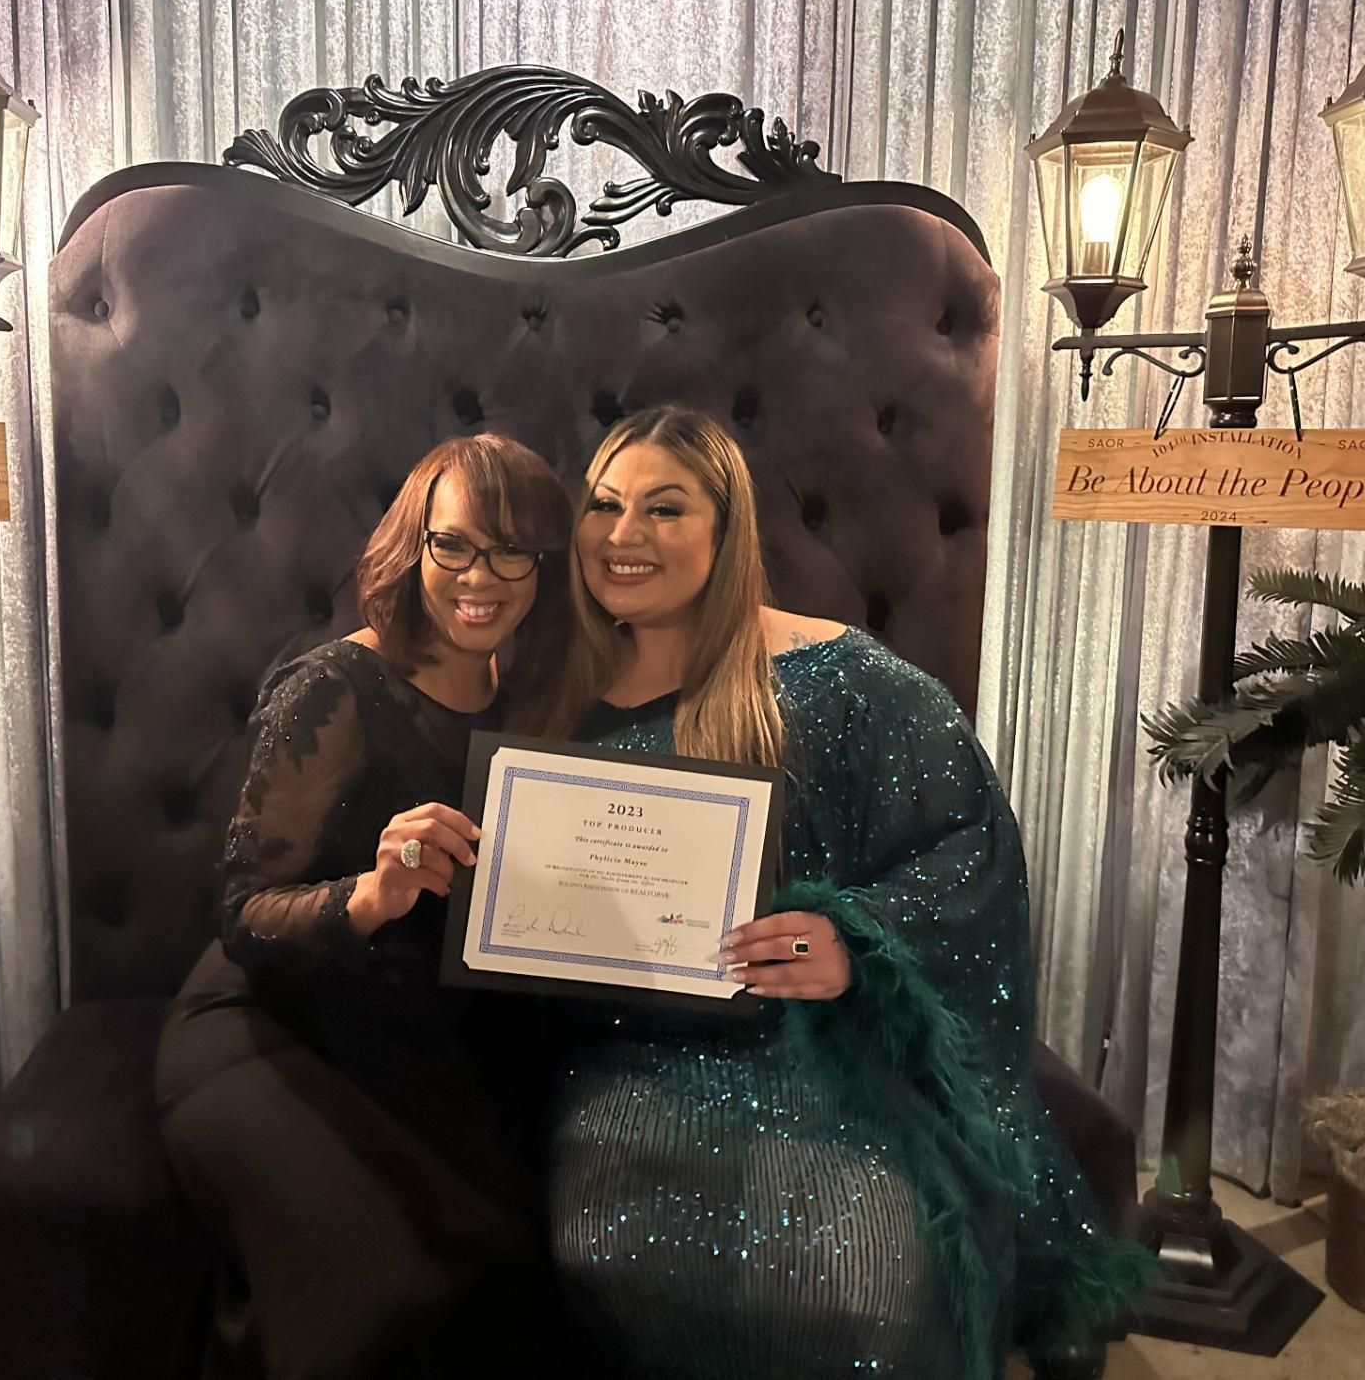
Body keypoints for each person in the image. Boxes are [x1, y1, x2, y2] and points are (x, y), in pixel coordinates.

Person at [539, 406, 1149, 1379]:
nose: (622, 534)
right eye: (604, 505)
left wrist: (854, 938)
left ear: (725, 527)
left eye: (663, 508)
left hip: (815, 1050)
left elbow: (969, 848)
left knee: (862, 1270)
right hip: (635, 1049)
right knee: (613, 1248)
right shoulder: (550, 689)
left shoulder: (835, 675)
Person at [154, 434, 574, 1380]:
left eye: (512, 552)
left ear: (543, 566)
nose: (483, 576)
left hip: (417, 1029)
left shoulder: (531, 685)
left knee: (511, 1256)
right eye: (455, 545)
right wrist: (370, 895)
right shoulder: (334, 685)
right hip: (266, 1019)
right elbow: (242, 912)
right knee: (382, 1289)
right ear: (413, 544)